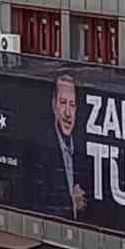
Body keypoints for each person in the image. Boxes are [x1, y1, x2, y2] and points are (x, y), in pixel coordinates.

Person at [35, 74, 89, 218]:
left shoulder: (83, 149)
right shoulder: (42, 149)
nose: (67, 113)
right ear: (54, 106)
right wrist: (70, 202)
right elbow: (38, 201)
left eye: (72, 105)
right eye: (63, 103)